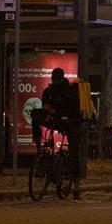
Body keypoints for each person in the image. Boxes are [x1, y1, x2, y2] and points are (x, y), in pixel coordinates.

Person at [31, 68, 83, 198]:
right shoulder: (49, 91)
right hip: (54, 120)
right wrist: (46, 112)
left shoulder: (71, 90)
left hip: (69, 121)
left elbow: (75, 109)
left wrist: (59, 114)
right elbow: (46, 105)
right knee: (36, 119)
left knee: (74, 151)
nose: (54, 83)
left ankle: (76, 186)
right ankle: (40, 150)